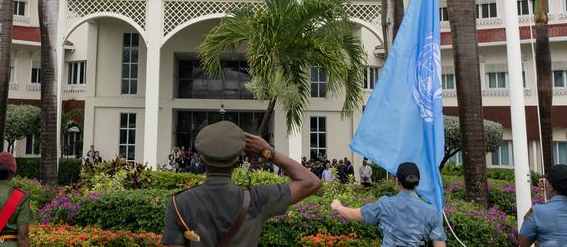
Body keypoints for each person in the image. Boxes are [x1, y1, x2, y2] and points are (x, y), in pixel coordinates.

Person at [161, 121, 321, 246]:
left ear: (201, 158)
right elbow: (311, 182)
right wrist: (267, 151)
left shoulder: (179, 203)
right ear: (238, 158)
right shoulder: (257, 198)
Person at [331, 162, 447, 247]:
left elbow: (352, 214)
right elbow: (439, 244)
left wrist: (337, 206)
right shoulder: (432, 211)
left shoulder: (384, 204)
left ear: (397, 180)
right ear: (418, 182)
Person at [518, 164, 567, 247]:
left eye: (546, 182)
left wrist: (534, 209)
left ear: (551, 186)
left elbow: (523, 243)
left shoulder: (539, 211)